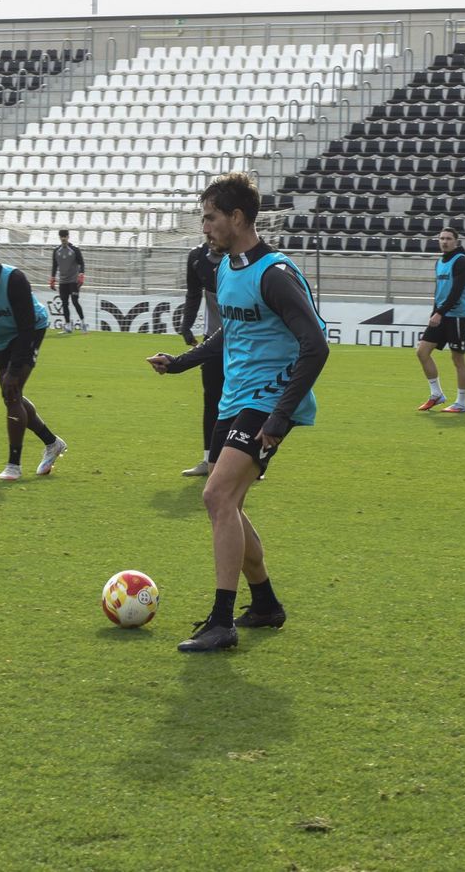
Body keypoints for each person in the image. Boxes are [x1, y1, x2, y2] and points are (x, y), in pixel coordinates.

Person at [147, 173, 329, 653]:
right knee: (230, 506)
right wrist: (181, 363)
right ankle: (265, 604)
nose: (204, 227)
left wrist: (278, 416)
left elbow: (315, 346)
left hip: (268, 401)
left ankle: (222, 620)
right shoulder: (227, 267)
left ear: (237, 217)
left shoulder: (275, 272)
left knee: (216, 496)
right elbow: (233, 332)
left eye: (210, 217)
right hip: (235, 399)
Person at [0, 239, 67, 481]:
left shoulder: (14, 280)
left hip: (28, 332)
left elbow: (27, 326)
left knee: (12, 391)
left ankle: (13, 465)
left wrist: (15, 368)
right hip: (2, 338)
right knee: (12, 396)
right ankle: (52, 443)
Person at [177, 237, 225, 477]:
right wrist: (186, 325)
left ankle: (252, 462)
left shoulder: (241, 257)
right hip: (212, 341)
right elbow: (193, 293)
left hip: (246, 343)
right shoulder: (197, 258)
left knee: (247, 402)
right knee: (212, 399)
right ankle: (209, 460)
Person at [416, 227, 465, 413]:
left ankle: (461, 403)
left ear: (456, 241)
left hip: (456, 316)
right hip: (441, 314)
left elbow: (456, 292)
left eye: (448, 238)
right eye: (441, 238)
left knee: (458, 359)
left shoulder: (461, 262)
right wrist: (435, 312)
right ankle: (437, 394)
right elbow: (439, 292)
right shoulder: (440, 262)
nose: (444, 241)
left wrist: (440, 312)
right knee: (422, 352)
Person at [49, 229, 87, 333]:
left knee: (75, 302)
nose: (63, 238)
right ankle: (68, 327)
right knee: (64, 303)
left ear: (68, 237)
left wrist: (81, 274)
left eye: (65, 236)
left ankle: (83, 325)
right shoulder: (56, 251)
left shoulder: (74, 249)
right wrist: (52, 278)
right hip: (63, 281)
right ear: (59, 237)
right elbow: (54, 265)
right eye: (61, 236)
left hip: (73, 280)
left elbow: (82, 263)